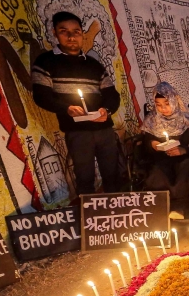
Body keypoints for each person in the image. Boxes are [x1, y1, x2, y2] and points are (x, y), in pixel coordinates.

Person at [31, 11, 121, 197]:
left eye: (76, 32)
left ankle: (120, 217)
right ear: (54, 33)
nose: (71, 37)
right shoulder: (46, 62)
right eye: (64, 31)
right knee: (84, 178)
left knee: (113, 175)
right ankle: (91, 220)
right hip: (77, 132)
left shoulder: (94, 65)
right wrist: (66, 109)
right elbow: (41, 96)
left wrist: (107, 110)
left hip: (104, 129)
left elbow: (111, 94)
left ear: (82, 34)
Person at [140, 82, 189, 218]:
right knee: (157, 174)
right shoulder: (151, 120)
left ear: (174, 100)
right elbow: (145, 145)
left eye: (166, 104)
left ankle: (180, 209)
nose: (163, 109)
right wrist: (153, 144)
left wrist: (183, 150)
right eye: (158, 105)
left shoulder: (188, 119)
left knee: (184, 172)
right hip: (160, 159)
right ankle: (161, 211)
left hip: (184, 158)